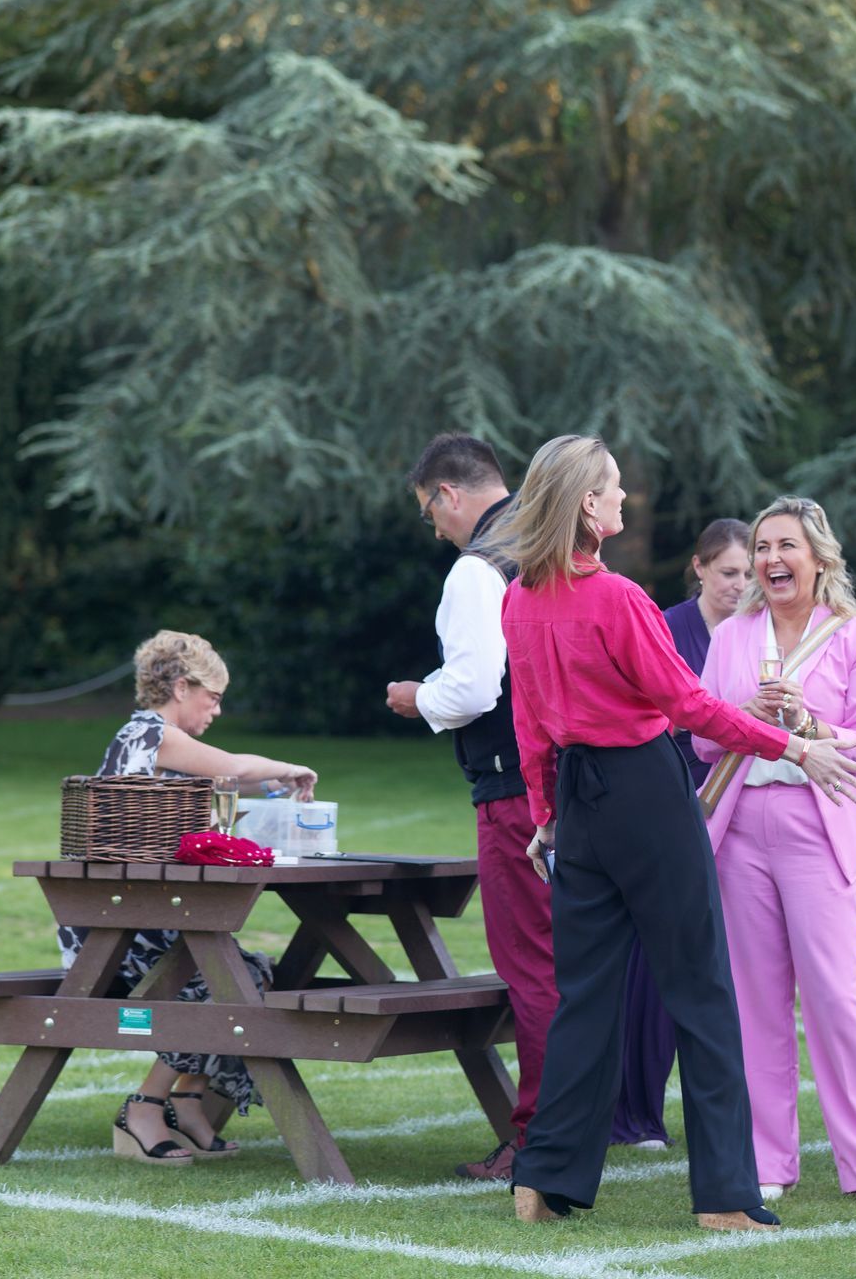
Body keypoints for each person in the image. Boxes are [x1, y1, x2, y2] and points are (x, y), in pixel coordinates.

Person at [491, 435, 856, 1232]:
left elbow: (530, 722)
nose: (625, 501)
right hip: (644, 795)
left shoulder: (518, 599)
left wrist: (545, 812)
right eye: (615, 490)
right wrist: (796, 745)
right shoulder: (619, 599)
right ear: (588, 506)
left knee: (583, 999)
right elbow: (690, 708)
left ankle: (542, 1181)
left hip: (579, 806)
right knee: (702, 992)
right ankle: (728, 1196)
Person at [694, 496, 856, 1211]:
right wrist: (748, 720)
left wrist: (806, 722)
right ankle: (767, 1161)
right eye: (762, 548)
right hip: (740, 829)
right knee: (756, 1001)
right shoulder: (734, 635)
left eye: (785, 546)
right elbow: (703, 738)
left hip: (815, 825)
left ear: (819, 558)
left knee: (834, 994)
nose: (769, 561)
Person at [66, 630, 318, 1166]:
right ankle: (145, 1107)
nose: (217, 710)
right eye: (214, 697)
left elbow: (225, 784)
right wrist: (287, 768)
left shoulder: (159, 746)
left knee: (250, 974)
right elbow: (231, 767)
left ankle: (184, 1101)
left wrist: (274, 789)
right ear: (182, 687)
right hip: (115, 932)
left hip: (139, 914)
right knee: (228, 983)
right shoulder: (150, 734)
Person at [384, 433, 557, 1181]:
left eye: (431, 511)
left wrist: (415, 696)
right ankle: (591, 1121)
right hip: (580, 778)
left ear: (449, 494)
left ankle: (540, 1139)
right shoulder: (553, 542)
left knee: (532, 967)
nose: (434, 527)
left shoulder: (475, 570)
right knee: (579, 962)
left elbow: (475, 687)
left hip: (515, 790)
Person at [610, 517, 750, 1153]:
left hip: (747, 805)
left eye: (749, 574)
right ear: (698, 567)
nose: (741, 585)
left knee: (728, 965)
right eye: (729, 573)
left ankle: (734, 1118)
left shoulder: (762, 632)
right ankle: (636, 1111)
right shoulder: (666, 627)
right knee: (655, 962)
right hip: (678, 798)